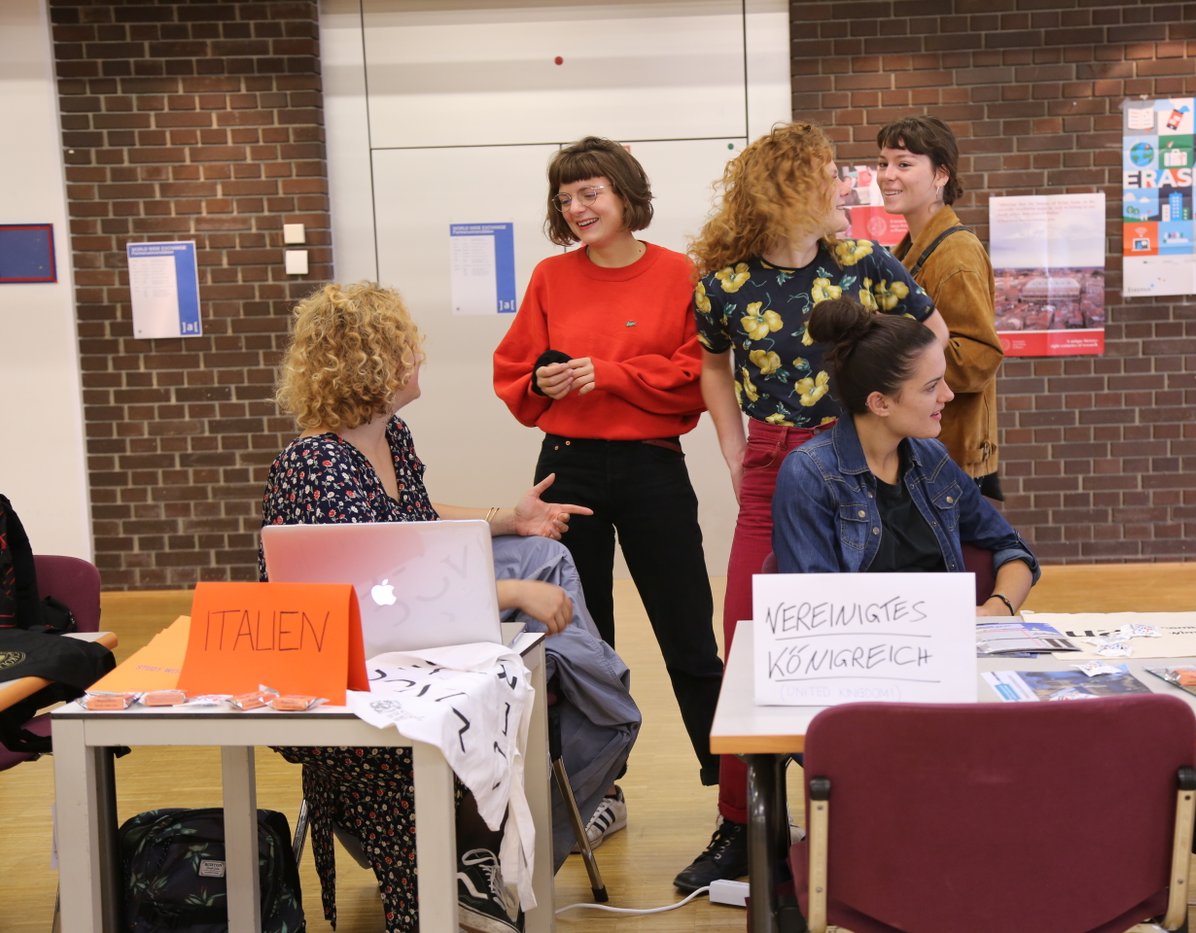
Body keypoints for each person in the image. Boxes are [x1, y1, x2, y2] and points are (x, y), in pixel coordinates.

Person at [261, 281, 640, 933]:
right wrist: (511, 594)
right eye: (409, 347)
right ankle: (482, 858)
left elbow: (415, 518)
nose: (419, 359)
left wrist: (504, 517)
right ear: (373, 362)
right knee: (577, 691)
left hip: (412, 646)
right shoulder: (316, 464)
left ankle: (482, 858)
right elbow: (371, 595)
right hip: (359, 669)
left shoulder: (391, 436)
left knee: (591, 694)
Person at [685, 122, 944, 892]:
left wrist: (904, 409)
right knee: (747, 635)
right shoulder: (724, 283)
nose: (846, 187)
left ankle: (872, 806)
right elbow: (710, 362)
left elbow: (929, 329)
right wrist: (734, 449)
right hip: (771, 461)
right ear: (789, 189)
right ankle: (741, 822)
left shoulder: (862, 261)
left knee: (867, 631)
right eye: (832, 175)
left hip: (858, 460)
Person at [493, 136, 724, 852]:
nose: (576, 207)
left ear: (625, 193)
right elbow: (513, 370)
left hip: (654, 466)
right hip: (570, 467)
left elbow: (698, 375)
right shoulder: (550, 277)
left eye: (589, 191)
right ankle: (598, 790)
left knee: (689, 636)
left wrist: (611, 375)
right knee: (580, 642)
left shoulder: (680, 273)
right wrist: (543, 381)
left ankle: (736, 800)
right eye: (565, 198)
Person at [771, 297, 1037, 598]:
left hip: (944, 638)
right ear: (880, 403)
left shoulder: (932, 460)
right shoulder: (810, 473)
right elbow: (814, 605)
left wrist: (996, 610)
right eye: (931, 386)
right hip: (861, 643)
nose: (948, 395)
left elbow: (1010, 547)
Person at [877, 115, 1005, 498]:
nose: (887, 175)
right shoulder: (909, 250)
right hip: (923, 451)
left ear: (941, 175)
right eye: (882, 163)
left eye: (903, 163)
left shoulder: (955, 253)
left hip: (950, 458)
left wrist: (887, 357)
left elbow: (978, 358)